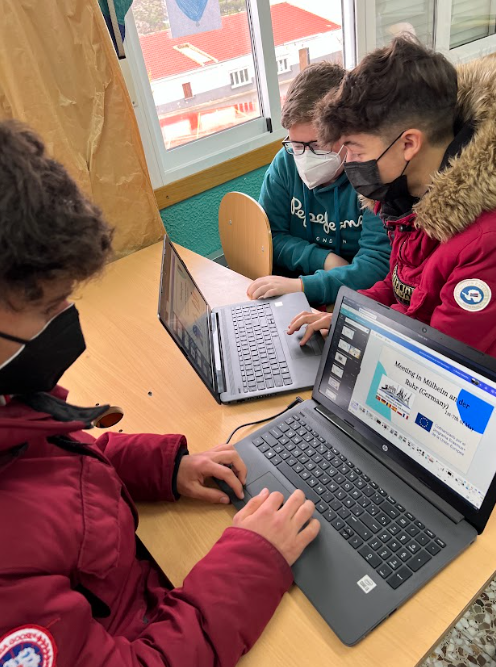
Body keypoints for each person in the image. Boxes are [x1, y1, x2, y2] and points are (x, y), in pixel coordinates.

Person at [0, 120, 320, 667]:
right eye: (49, 307)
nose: (67, 317)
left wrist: (166, 467)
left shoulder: (11, 406)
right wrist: (253, 559)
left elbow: (51, 465)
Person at [288, 37, 496, 357]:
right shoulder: (406, 197)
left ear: (409, 144)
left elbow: (440, 359)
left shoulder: (483, 243)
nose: (349, 163)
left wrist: (357, 332)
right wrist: (345, 317)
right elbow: (402, 288)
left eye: (355, 151)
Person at [246, 62, 390, 307]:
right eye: (296, 145)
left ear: (348, 133)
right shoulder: (286, 162)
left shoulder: (372, 174)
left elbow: (375, 267)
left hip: (354, 298)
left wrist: (303, 287)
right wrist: (324, 259)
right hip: (293, 289)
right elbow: (269, 237)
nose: (305, 156)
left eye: (318, 145)